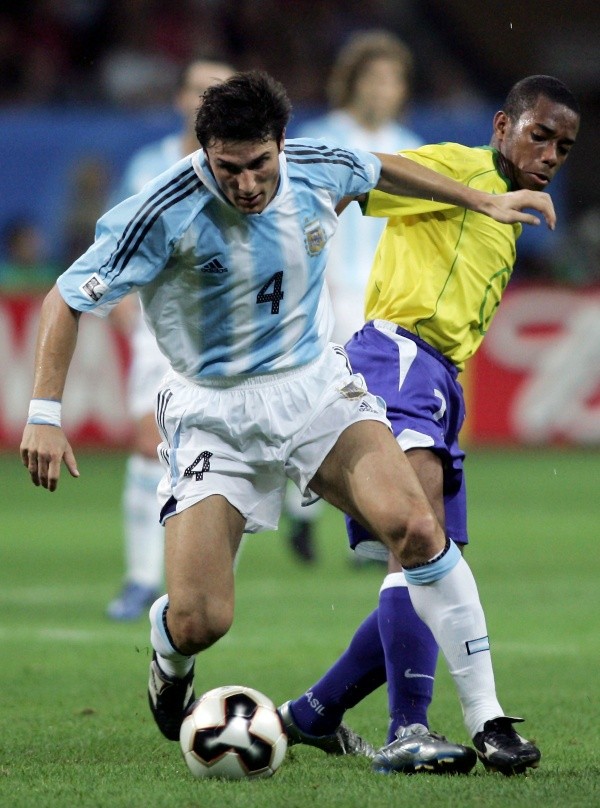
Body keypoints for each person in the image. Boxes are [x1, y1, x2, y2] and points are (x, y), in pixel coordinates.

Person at [20, 71, 557, 772]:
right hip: (212, 412)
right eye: (227, 168)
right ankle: (168, 644)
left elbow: (385, 171)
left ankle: (489, 721)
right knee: (202, 618)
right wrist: (44, 413)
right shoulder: (161, 212)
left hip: (313, 389)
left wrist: (482, 200)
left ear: (281, 142)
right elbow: (65, 300)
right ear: (205, 154)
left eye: (259, 164)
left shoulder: (314, 166)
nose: (245, 185)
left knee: (418, 529)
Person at [279, 75, 580, 776]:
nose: (550, 154)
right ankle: (411, 727)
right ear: (503, 125)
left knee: (432, 567)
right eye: (539, 134)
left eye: (564, 146)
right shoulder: (458, 166)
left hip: (437, 381)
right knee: (417, 547)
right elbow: (370, 176)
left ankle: (316, 712)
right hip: (397, 357)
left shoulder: (516, 214)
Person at [105, 58, 235, 621]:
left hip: (230, 332)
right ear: (180, 97)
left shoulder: (245, 167)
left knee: (226, 452)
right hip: (159, 326)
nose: (205, 97)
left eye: (219, 90)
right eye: (198, 87)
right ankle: (140, 579)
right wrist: (115, 302)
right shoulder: (148, 165)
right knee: (145, 442)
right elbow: (116, 243)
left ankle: (208, 581)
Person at [290, 30, 424, 564]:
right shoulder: (322, 138)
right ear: (353, 83)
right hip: (330, 290)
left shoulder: (412, 145)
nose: (384, 89)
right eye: (375, 77)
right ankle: (305, 508)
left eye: (393, 79)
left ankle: (362, 526)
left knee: (377, 410)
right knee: (321, 403)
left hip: (387, 295)